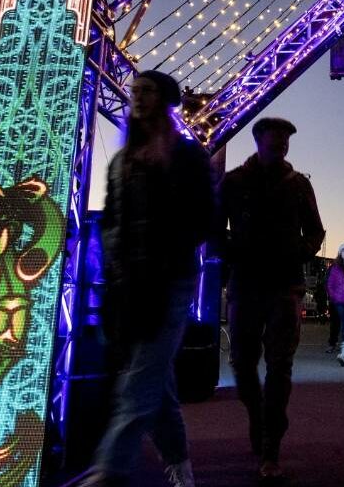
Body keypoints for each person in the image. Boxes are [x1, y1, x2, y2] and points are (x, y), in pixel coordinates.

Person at [89, 70, 215, 487]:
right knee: (156, 381)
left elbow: (203, 218)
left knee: (140, 378)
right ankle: (180, 465)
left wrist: (170, 250)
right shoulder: (122, 162)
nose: (137, 98)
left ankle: (110, 470)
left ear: (164, 99)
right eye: (134, 91)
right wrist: (112, 265)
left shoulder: (186, 155)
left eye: (147, 91)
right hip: (127, 284)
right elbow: (111, 219)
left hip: (170, 280)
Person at [221, 117, 327, 482]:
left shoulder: (298, 185)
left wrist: (299, 251)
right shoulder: (233, 181)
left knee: (280, 365)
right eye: (275, 137)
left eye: (286, 139)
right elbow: (215, 227)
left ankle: (270, 446)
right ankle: (258, 415)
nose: (281, 143)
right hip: (246, 283)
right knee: (242, 362)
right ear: (258, 139)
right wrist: (234, 252)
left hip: (284, 286)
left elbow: (315, 229)